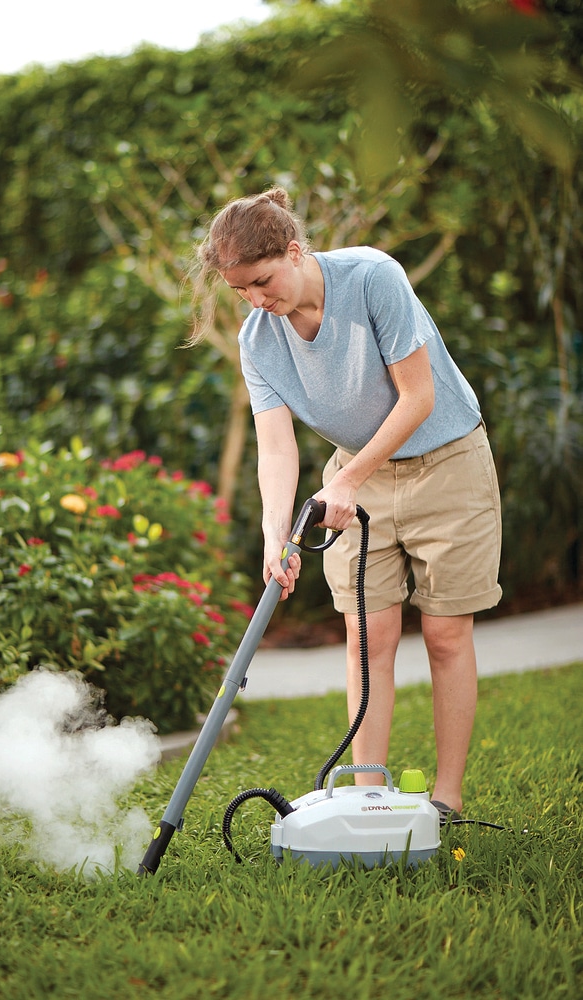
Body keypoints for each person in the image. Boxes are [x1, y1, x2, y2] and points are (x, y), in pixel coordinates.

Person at [193, 186, 502, 823]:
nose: (256, 300)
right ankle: (367, 799)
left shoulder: (372, 278)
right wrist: (275, 536)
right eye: (241, 291)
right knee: (367, 638)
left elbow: (417, 398)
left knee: (445, 635)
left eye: (262, 281)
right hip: (357, 481)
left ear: (294, 250)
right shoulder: (259, 340)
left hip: (447, 462)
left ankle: (447, 799)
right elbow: (276, 448)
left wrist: (348, 480)